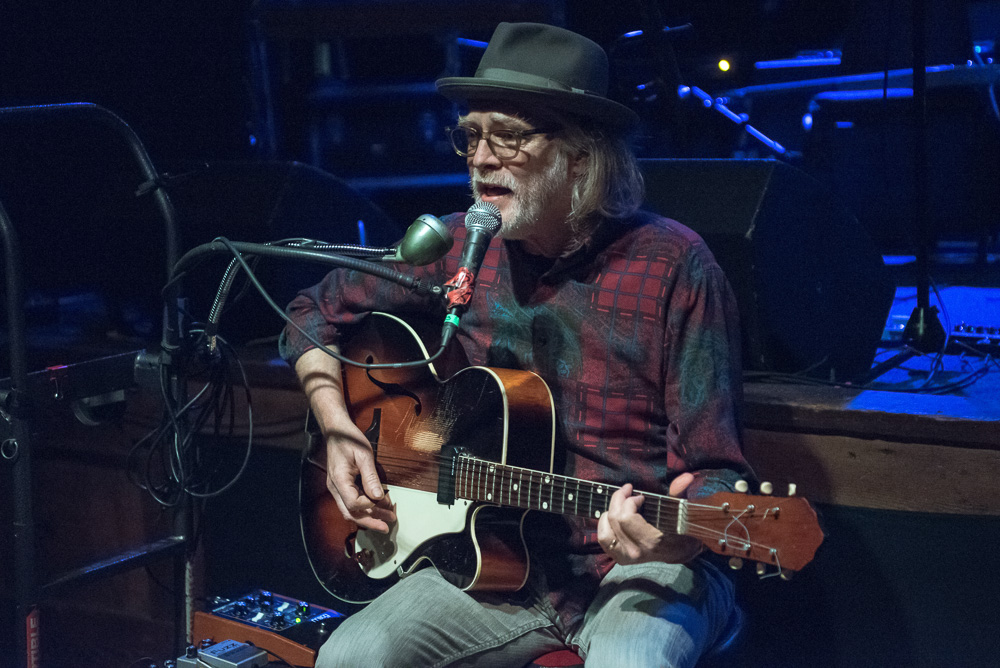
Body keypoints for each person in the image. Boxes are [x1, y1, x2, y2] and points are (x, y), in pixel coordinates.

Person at [280, 22, 752, 668]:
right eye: (471, 135)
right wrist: (338, 431)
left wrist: (673, 540)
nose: (479, 159)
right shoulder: (454, 249)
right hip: (496, 567)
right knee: (349, 657)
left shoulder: (676, 268)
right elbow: (309, 315)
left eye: (509, 136)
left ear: (581, 157)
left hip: (638, 570)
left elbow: (720, 472)